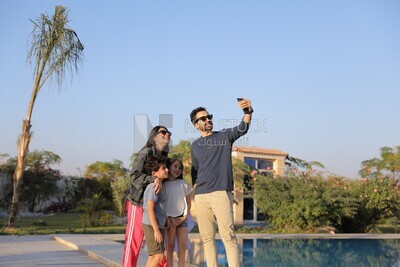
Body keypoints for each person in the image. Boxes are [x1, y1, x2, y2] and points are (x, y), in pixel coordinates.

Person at [190, 98, 253, 267]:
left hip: (220, 193)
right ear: (196, 124)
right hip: (201, 196)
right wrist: (194, 190)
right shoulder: (194, 145)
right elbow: (195, 170)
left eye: (209, 116)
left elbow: (243, 128)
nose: (208, 120)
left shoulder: (224, 136)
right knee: (207, 239)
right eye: (203, 118)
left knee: (228, 237)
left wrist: (248, 112)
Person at [122, 126, 171, 267]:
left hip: (154, 207)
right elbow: (134, 177)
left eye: (169, 132)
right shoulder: (145, 152)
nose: (167, 134)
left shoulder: (163, 157)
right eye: (163, 132)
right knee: (133, 244)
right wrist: (152, 179)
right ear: (154, 137)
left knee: (157, 252)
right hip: (137, 204)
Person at [164, 158, 192, 267]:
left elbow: (189, 202)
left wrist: (185, 217)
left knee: (183, 246)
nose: (177, 169)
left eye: (180, 168)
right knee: (170, 246)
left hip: (182, 218)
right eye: (175, 166)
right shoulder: (164, 184)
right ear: (169, 167)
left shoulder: (183, 183)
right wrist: (167, 218)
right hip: (169, 219)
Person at [142, 156, 169, 267]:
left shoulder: (160, 185)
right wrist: (156, 230)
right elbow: (150, 209)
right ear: (154, 173)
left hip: (154, 224)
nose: (167, 169)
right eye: (163, 168)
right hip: (152, 225)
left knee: (153, 256)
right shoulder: (154, 187)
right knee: (159, 256)